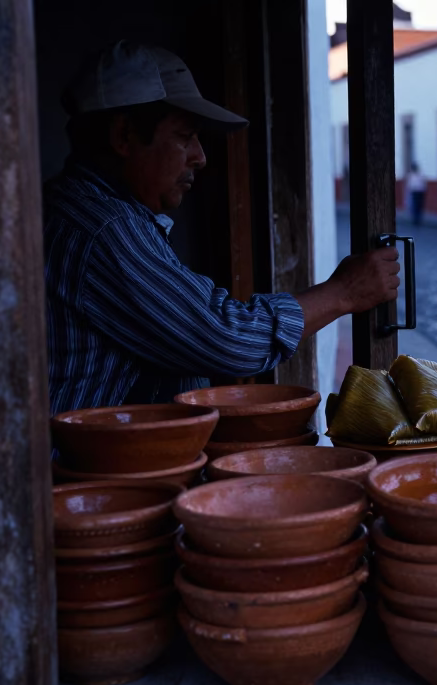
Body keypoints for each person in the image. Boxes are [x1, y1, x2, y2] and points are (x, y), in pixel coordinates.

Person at [43, 41, 399, 414]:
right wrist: (344, 292)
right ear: (124, 137)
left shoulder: (86, 209)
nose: (200, 156)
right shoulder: (104, 229)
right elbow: (228, 339)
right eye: (185, 137)